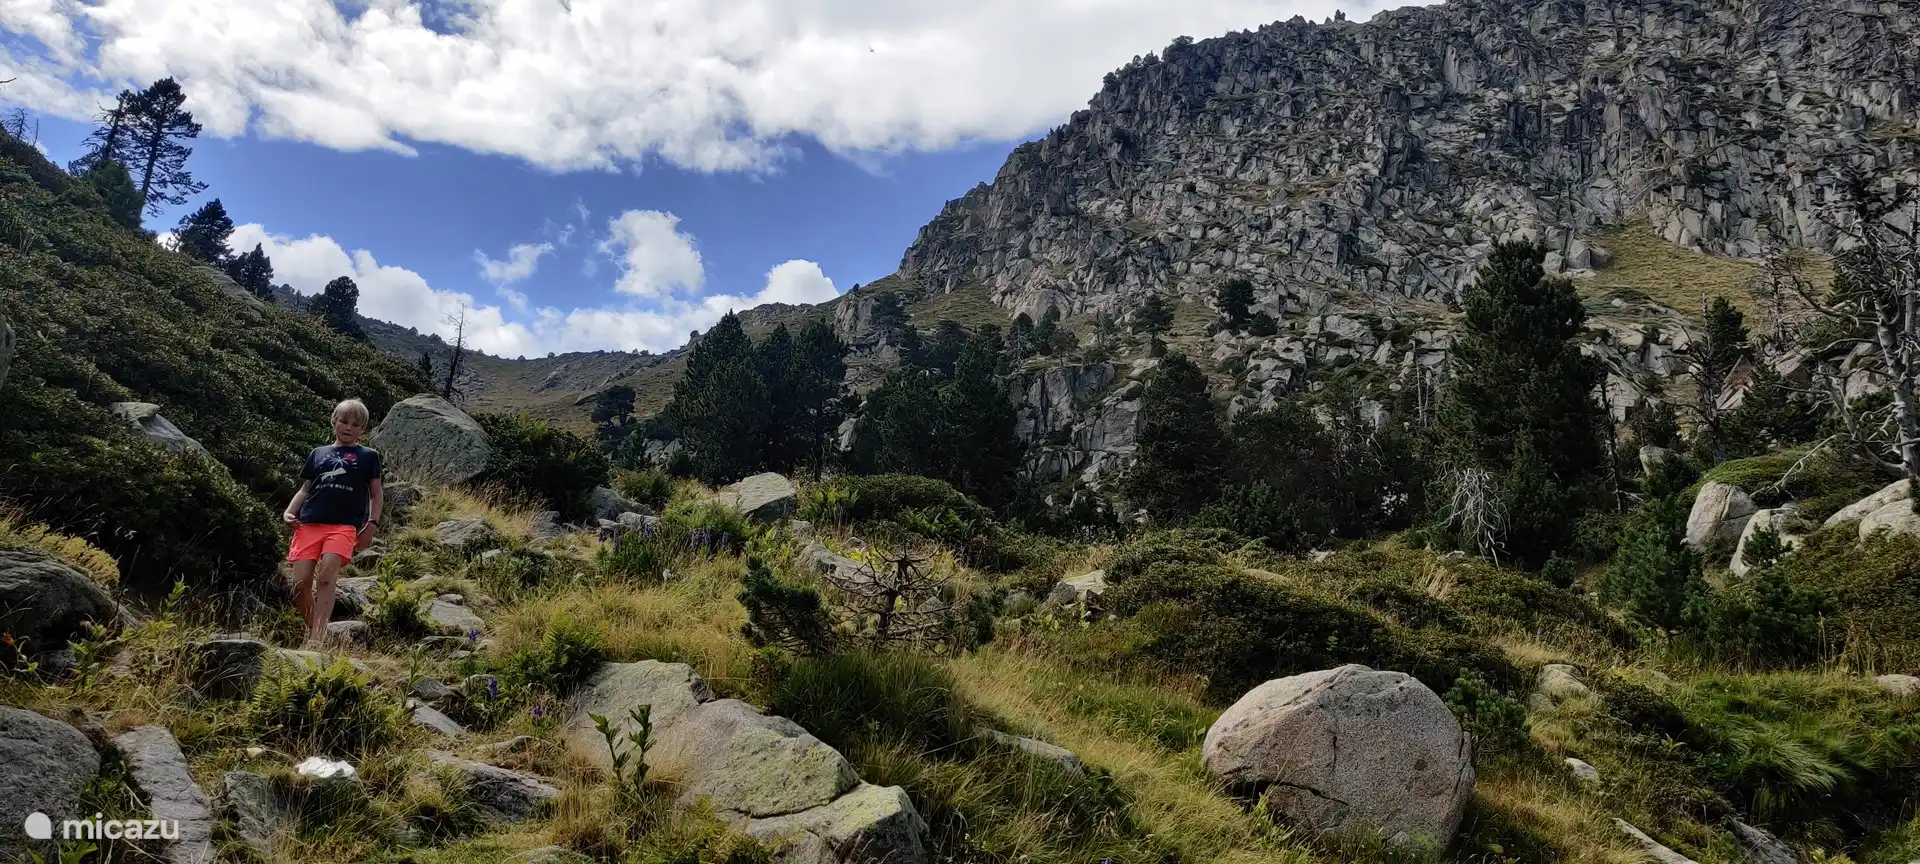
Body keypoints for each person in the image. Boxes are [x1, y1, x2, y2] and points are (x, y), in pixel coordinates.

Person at [283, 399, 384, 647]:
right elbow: (305, 489)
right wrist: (289, 512)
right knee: (300, 584)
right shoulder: (318, 453)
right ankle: (316, 629)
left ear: (362, 429)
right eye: (344, 422)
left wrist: (372, 524)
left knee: (327, 575)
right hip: (308, 523)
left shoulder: (369, 457)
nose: (348, 427)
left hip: (344, 526)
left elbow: (376, 493)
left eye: (355, 425)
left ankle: (317, 638)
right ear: (334, 422)